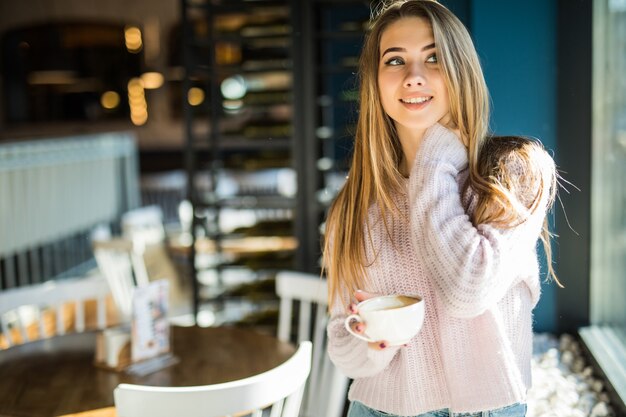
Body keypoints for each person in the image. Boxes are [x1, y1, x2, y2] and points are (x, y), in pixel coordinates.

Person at [322, 1, 559, 416]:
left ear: (460, 71)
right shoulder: (353, 206)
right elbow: (342, 345)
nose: (414, 77)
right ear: (375, 83)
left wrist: (434, 160)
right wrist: (376, 340)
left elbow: (468, 289)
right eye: (395, 60)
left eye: (433, 57)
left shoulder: (513, 173)